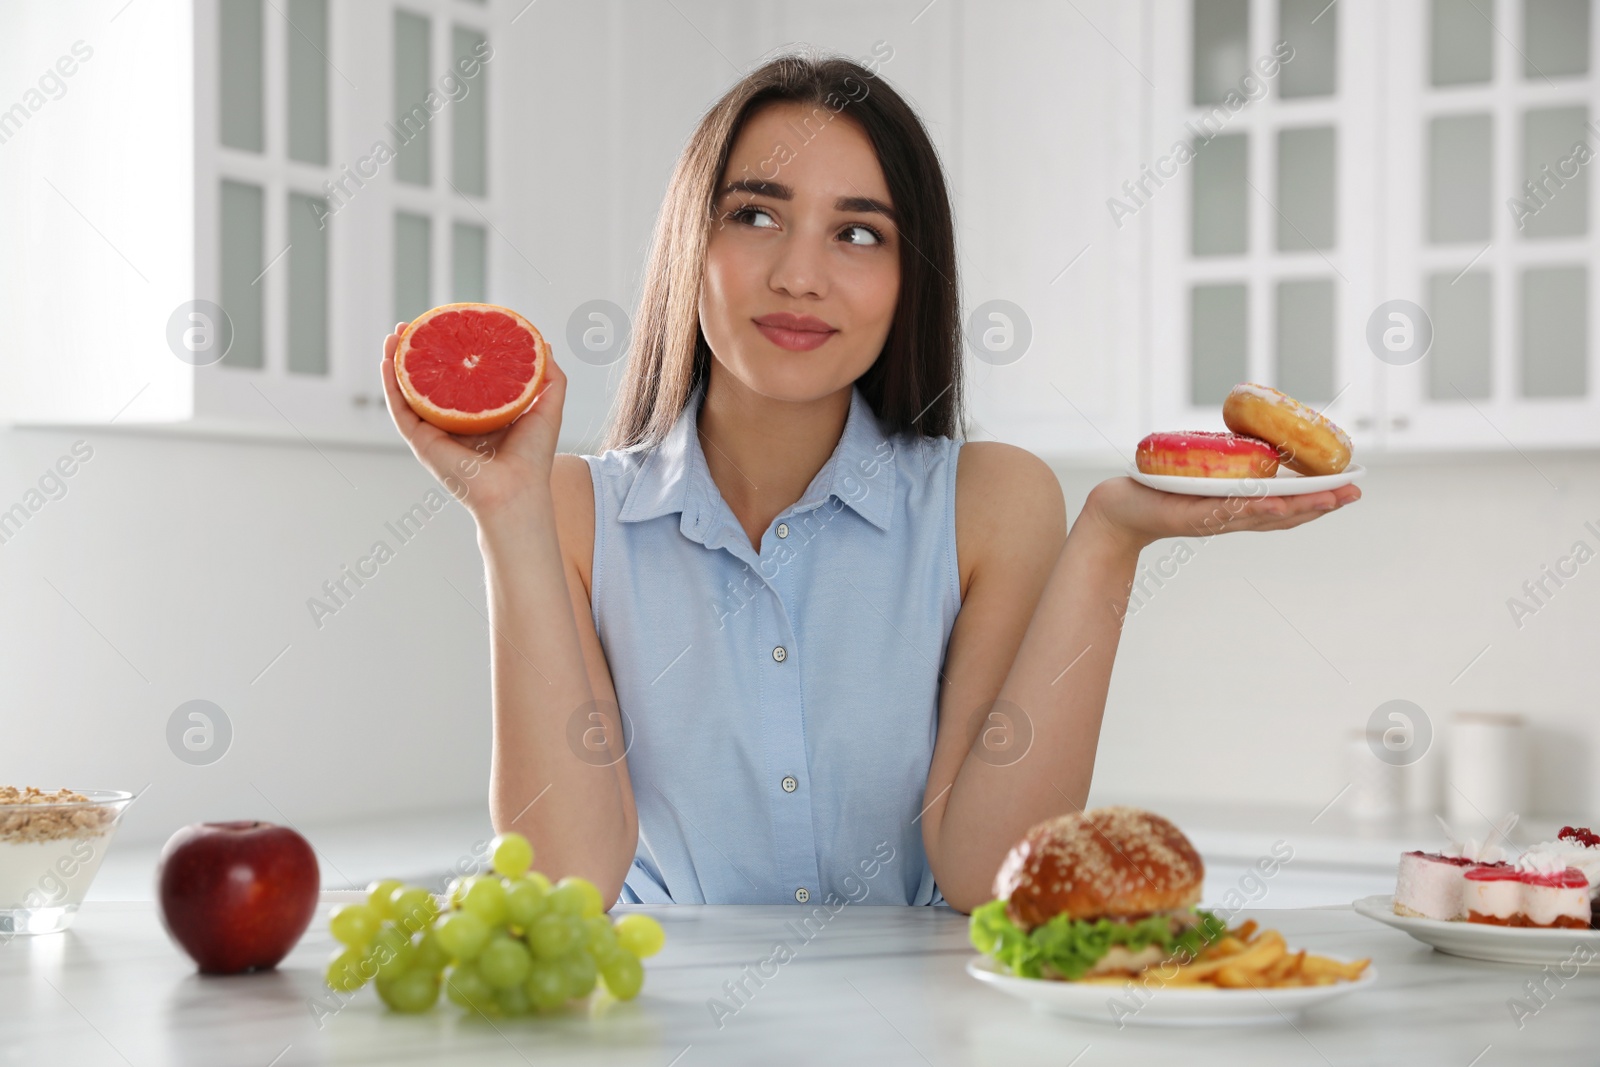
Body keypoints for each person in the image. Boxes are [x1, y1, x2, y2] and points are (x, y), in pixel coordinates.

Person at [380, 52, 1360, 913]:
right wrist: (505, 520)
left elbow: (986, 873)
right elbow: (562, 882)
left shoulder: (992, 502)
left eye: (858, 233)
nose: (800, 274)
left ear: (907, 276)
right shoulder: (569, 509)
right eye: (755, 214)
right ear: (691, 242)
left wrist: (1109, 538)